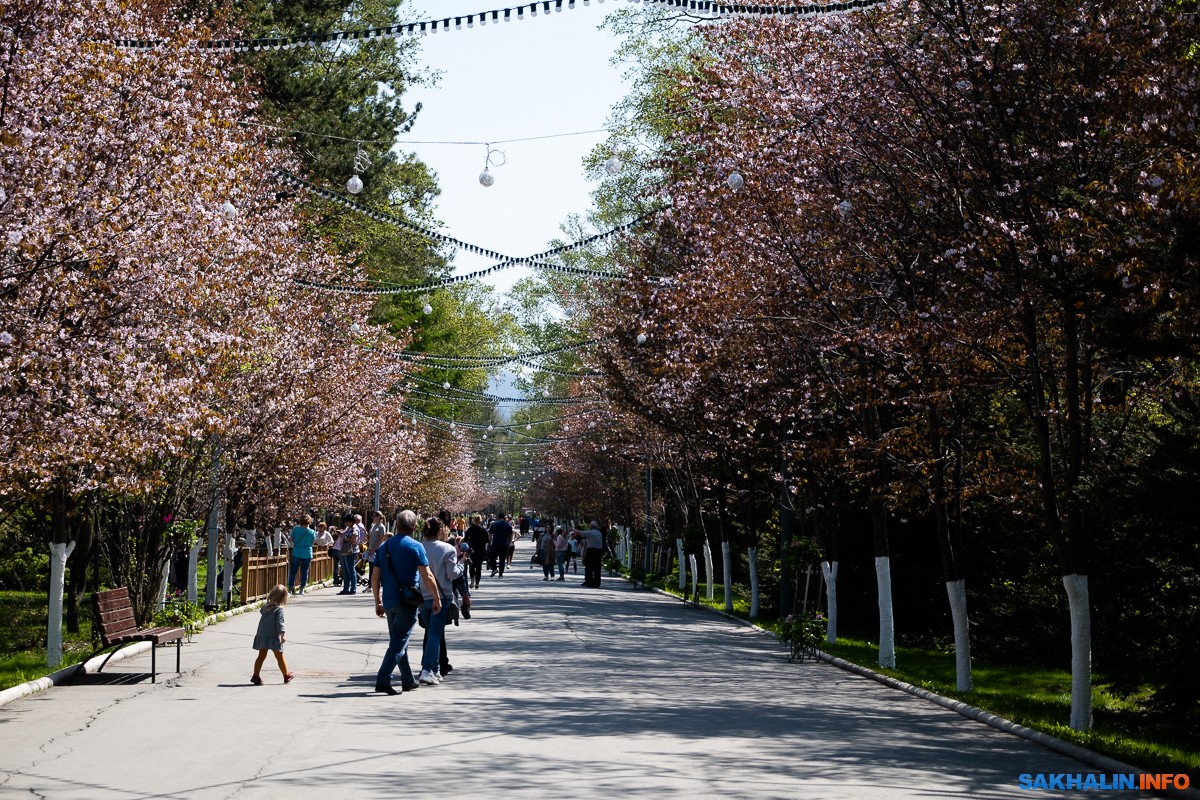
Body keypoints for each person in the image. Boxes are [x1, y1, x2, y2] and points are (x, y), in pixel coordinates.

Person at [372, 510, 439, 695]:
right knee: (399, 641)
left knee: (399, 640)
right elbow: (427, 575)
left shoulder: (383, 547)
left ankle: (408, 680)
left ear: (397, 525)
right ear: (414, 526)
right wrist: (436, 598)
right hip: (407, 601)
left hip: (389, 600)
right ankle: (383, 679)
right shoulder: (416, 546)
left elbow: (375, 577)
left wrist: (377, 601)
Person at [418, 517, 457, 685]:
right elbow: (452, 574)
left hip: (422, 596)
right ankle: (427, 669)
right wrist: (462, 564)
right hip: (441, 597)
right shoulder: (448, 549)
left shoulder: (418, 547)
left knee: (433, 632)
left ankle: (434, 669)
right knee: (435, 634)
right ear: (440, 531)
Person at [251, 584, 294, 685]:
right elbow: (280, 623)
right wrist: (282, 635)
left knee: (261, 656)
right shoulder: (279, 610)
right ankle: (286, 675)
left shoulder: (265, 607)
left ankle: (256, 675)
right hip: (274, 637)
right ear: (283, 598)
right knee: (279, 657)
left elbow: (261, 612)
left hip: (262, 635)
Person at [287, 515, 317, 595]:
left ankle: (290, 589)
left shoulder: (296, 530)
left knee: (293, 571)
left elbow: (291, 539)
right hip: (307, 553)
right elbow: (312, 542)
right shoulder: (312, 532)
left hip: (297, 552)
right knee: (304, 572)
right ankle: (301, 589)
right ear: (309, 522)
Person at [576, 520, 605, 588]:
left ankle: (589, 581)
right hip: (599, 551)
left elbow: (581, 533)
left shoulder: (590, 532)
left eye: (589, 525)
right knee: (597, 568)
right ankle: (597, 582)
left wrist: (573, 529)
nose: (588, 526)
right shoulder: (599, 533)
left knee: (589, 567)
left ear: (592, 526)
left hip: (591, 551)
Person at [336, 514, 360, 594]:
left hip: (351, 550)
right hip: (345, 550)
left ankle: (353, 588)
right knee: (345, 570)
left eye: (347, 522)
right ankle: (346, 588)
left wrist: (344, 537)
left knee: (350, 570)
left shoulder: (354, 529)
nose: (346, 523)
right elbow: (344, 534)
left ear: (351, 521)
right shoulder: (348, 528)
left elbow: (354, 540)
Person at [464, 514, 488, 589]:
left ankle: (472, 579)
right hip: (480, 550)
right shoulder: (483, 530)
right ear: (480, 521)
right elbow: (487, 540)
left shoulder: (470, 529)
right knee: (478, 567)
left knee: (471, 566)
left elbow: (465, 539)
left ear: (474, 520)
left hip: (471, 550)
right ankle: (477, 583)